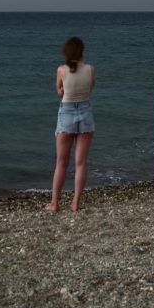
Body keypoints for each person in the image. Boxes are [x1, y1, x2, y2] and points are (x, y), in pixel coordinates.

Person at [46, 36, 96, 213]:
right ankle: (75, 203)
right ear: (82, 51)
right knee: (81, 162)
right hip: (85, 113)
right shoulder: (90, 69)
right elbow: (89, 90)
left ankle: (55, 204)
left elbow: (60, 92)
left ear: (67, 52)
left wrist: (62, 89)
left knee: (61, 162)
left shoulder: (61, 69)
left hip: (67, 113)